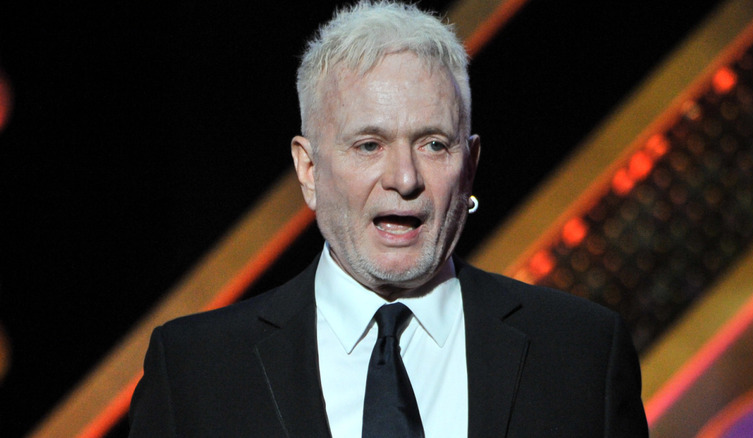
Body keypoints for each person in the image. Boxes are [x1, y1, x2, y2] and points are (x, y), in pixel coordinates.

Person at [129, 1, 648, 436]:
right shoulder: (194, 372)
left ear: (468, 166)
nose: (404, 178)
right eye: (369, 144)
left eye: (433, 143)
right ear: (308, 169)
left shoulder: (582, 354)